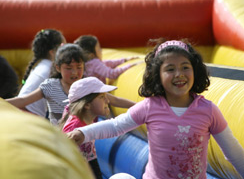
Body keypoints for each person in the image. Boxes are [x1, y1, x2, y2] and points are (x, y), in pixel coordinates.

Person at [67, 39, 244, 179]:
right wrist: (83, 133)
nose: (179, 74)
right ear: (157, 75)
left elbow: (233, 152)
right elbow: (116, 126)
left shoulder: (208, 110)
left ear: (195, 71)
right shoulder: (151, 107)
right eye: (170, 69)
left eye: (185, 67)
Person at [7, 44, 136, 125]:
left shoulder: (87, 85)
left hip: (86, 144)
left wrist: (139, 105)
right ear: (58, 68)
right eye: (68, 68)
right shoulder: (50, 86)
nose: (74, 72)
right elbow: (24, 100)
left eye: (79, 67)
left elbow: (114, 100)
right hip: (61, 142)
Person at [60, 77, 118, 179]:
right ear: (86, 105)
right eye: (101, 97)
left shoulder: (88, 119)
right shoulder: (74, 128)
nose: (107, 100)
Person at [18, 29, 66, 117]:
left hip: (22, 111)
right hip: (29, 116)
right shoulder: (51, 70)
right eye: (63, 47)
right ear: (52, 52)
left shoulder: (42, 65)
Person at [74, 35, 140, 83]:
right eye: (99, 49)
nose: (101, 51)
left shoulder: (86, 64)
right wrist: (130, 66)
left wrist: (124, 60)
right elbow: (111, 74)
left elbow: (107, 63)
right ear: (91, 54)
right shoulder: (95, 63)